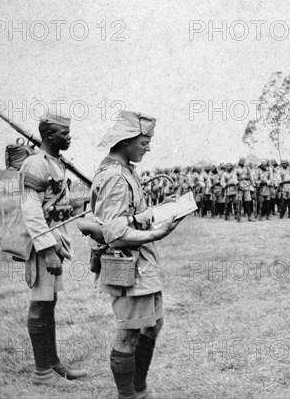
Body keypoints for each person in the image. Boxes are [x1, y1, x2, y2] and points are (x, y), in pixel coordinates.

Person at [90, 110, 184, 399]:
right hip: (127, 265)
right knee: (130, 333)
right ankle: (128, 395)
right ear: (126, 140)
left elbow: (128, 217)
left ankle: (138, 389)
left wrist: (156, 211)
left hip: (140, 264)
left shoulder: (126, 171)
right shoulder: (116, 177)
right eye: (144, 142)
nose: (148, 147)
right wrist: (156, 232)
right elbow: (115, 233)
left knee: (153, 325)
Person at [20, 108, 86, 388]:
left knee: (50, 305)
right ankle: (41, 372)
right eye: (64, 133)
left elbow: (63, 203)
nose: (69, 137)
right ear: (48, 134)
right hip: (42, 243)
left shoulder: (55, 163)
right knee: (40, 306)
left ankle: (53, 363)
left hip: (55, 238)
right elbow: (31, 210)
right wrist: (47, 249)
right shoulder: (35, 164)